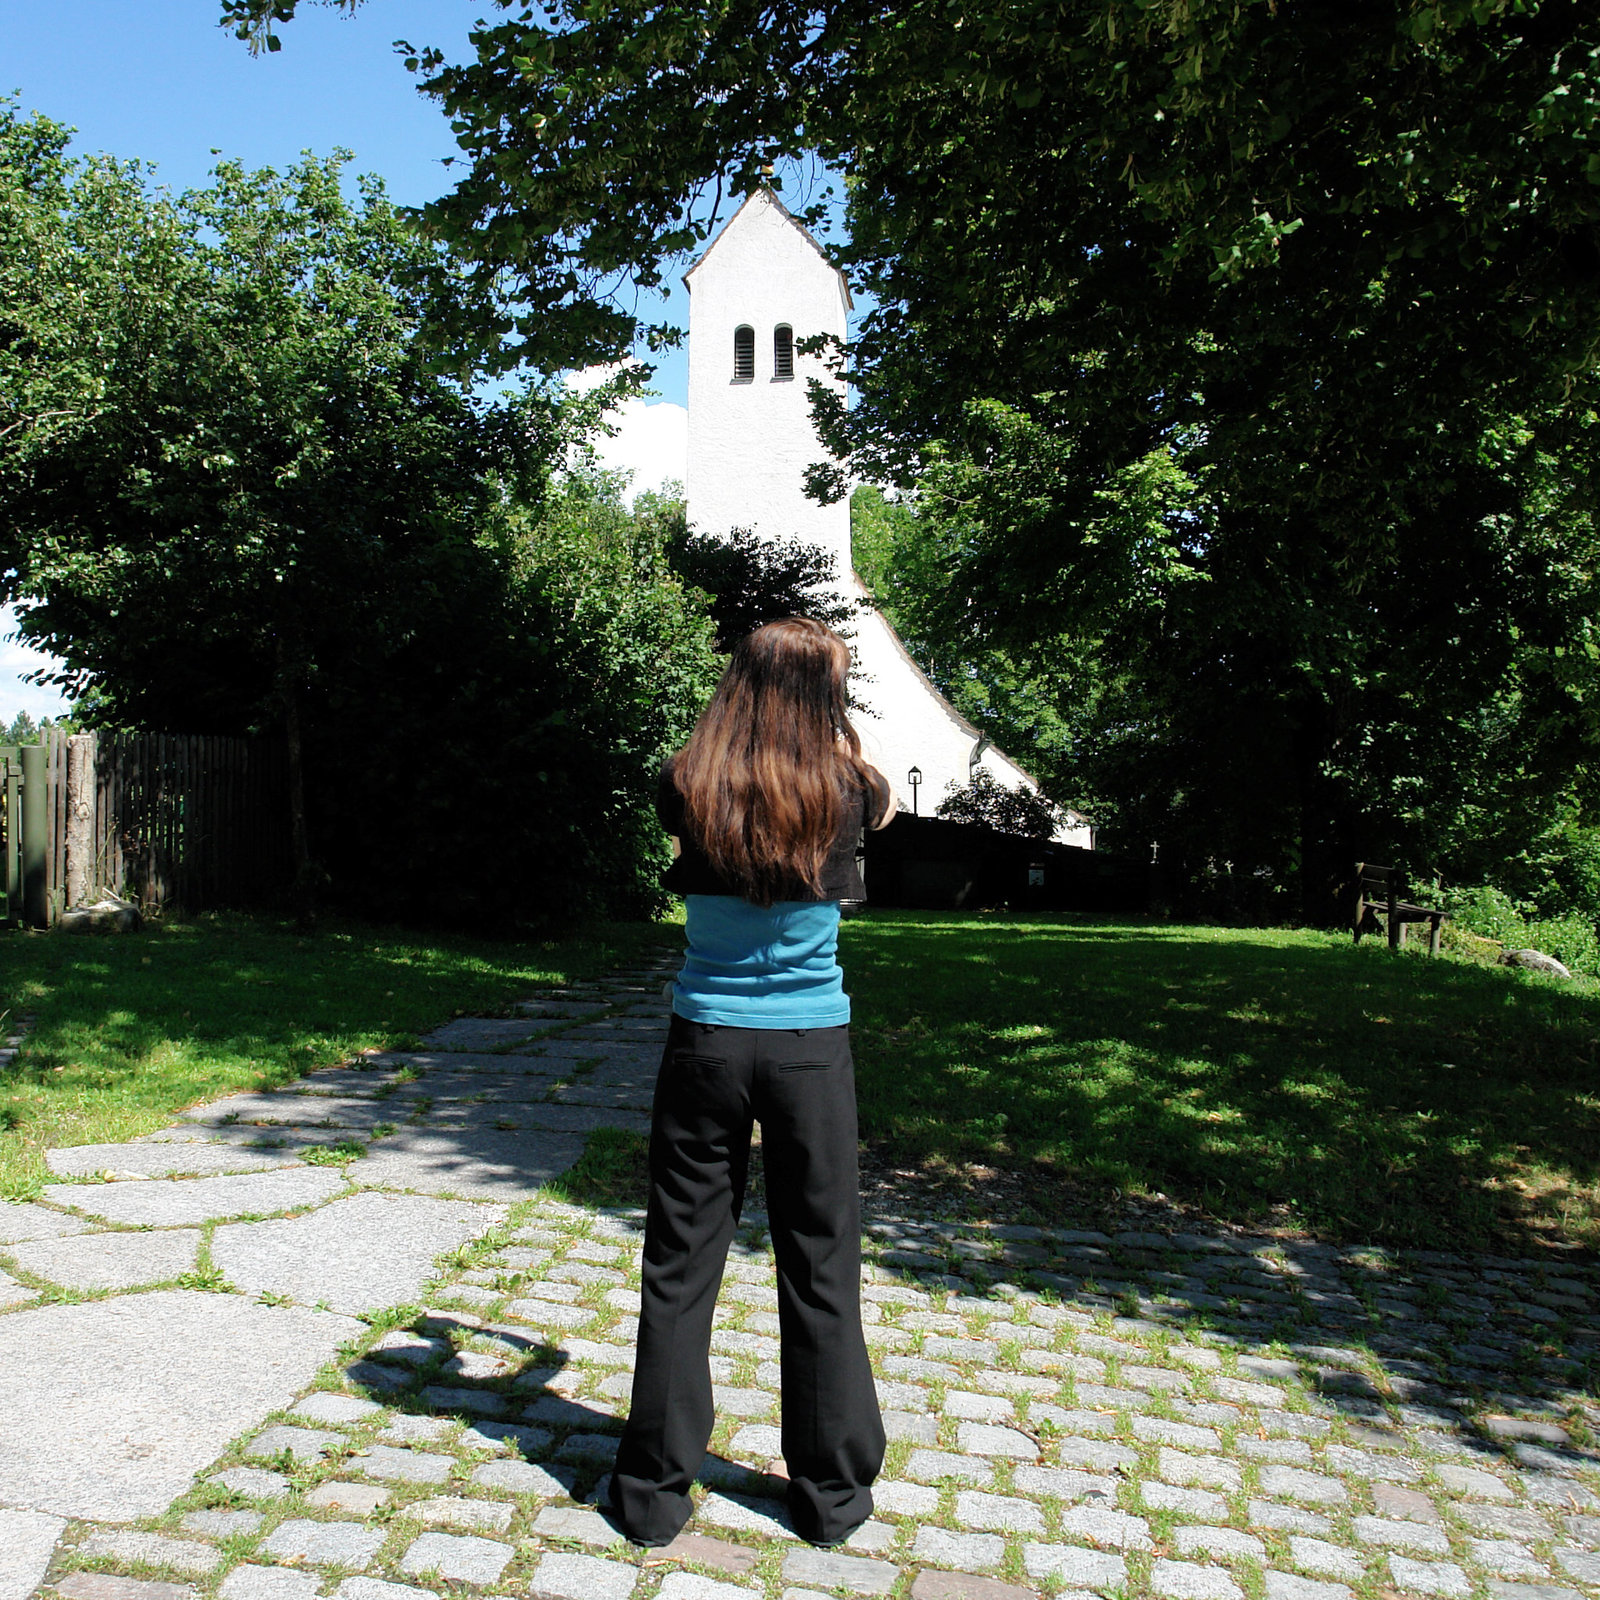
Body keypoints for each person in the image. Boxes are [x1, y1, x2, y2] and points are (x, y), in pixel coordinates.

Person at [606, 615, 897, 1550]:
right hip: (811, 1050)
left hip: (707, 1046)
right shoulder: (853, 787)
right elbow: (882, 802)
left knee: (680, 1261)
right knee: (821, 1263)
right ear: (825, 697)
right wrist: (839, 737)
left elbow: (702, 777)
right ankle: (829, 1500)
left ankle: (651, 1495)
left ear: (737, 684)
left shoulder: (685, 784)